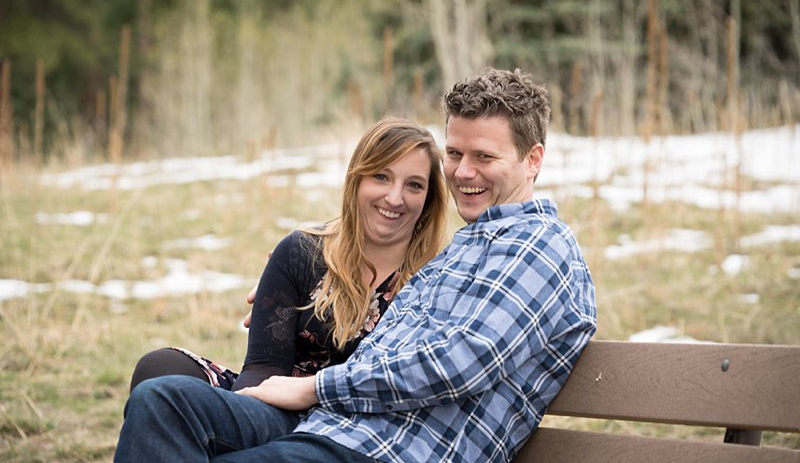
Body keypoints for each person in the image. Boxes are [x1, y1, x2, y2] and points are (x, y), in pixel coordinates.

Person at [114, 68, 597, 463]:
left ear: (533, 160)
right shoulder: (461, 251)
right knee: (162, 402)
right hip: (334, 430)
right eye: (454, 153)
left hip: (389, 452)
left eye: (484, 156)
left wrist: (314, 387)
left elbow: (458, 366)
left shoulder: (538, 248)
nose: (463, 172)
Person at [118, 117, 449, 436]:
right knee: (158, 371)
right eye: (381, 176)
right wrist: (235, 419)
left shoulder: (436, 280)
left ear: (429, 198)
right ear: (357, 179)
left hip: (356, 428)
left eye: (414, 185)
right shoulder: (302, 252)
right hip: (274, 405)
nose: (394, 197)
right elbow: (262, 368)